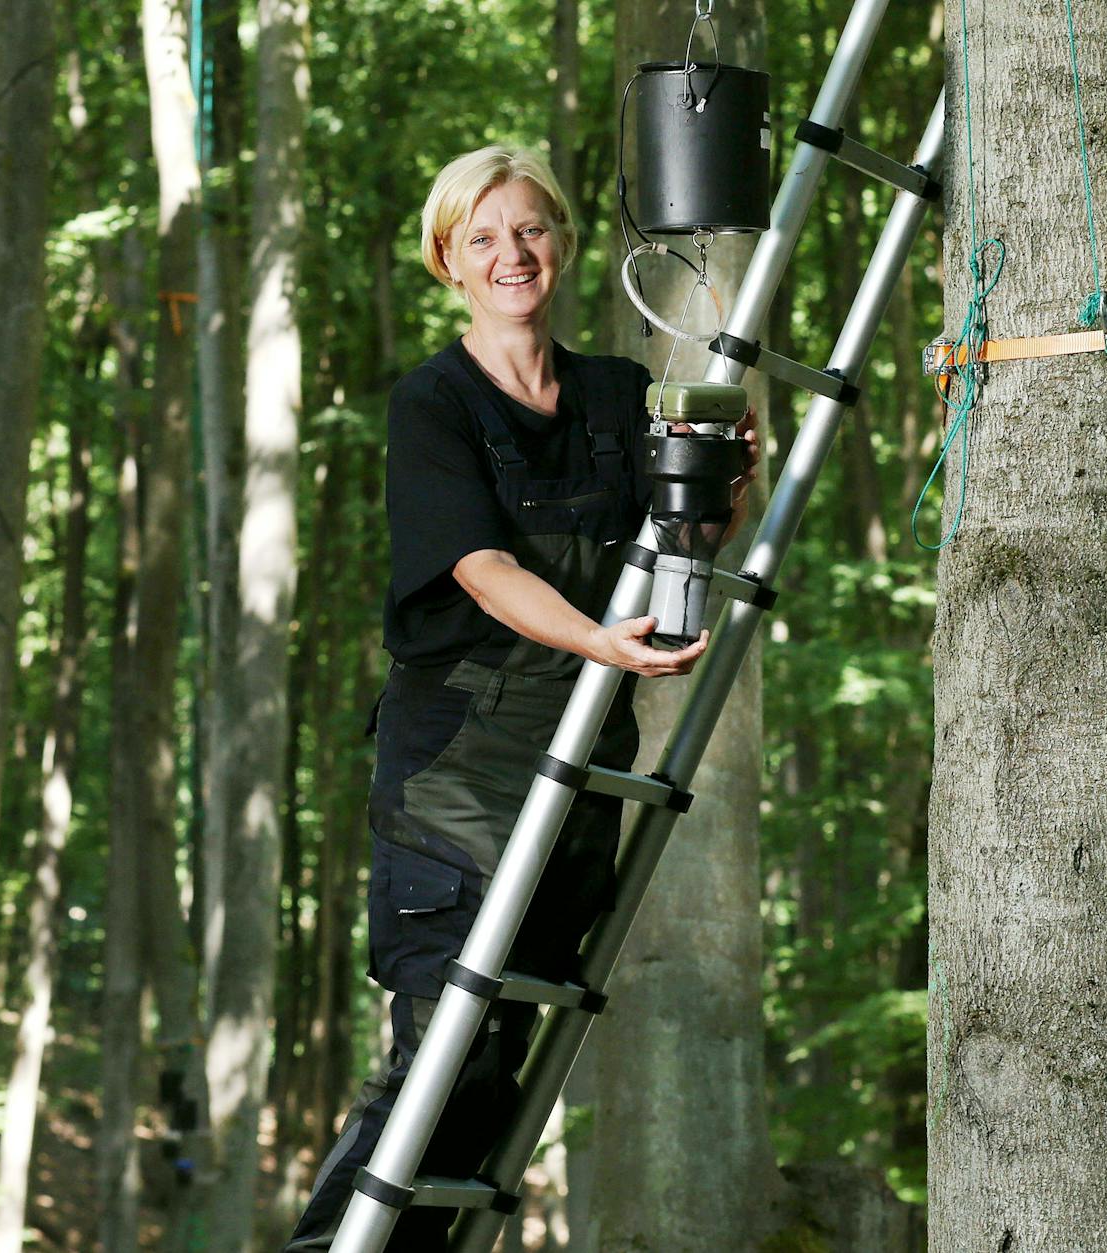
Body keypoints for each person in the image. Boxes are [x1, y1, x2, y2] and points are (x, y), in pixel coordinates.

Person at [282, 145, 757, 1251]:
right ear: (446, 258)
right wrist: (596, 636)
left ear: (563, 243)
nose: (512, 255)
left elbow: (684, 534)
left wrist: (720, 475)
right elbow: (480, 570)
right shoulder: (431, 404)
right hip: (456, 769)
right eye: (483, 236)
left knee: (504, 1078)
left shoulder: (615, 392)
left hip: (578, 758)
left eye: (530, 229)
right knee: (444, 1052)